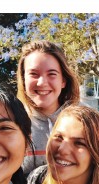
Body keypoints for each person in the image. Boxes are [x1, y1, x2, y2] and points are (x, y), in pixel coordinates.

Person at [17, 40, 80, 175]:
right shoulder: (12, 124)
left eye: (52, 74)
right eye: (34, 74)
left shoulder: (84, 123)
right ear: (23, 79)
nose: (42, 82)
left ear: (63, 81)